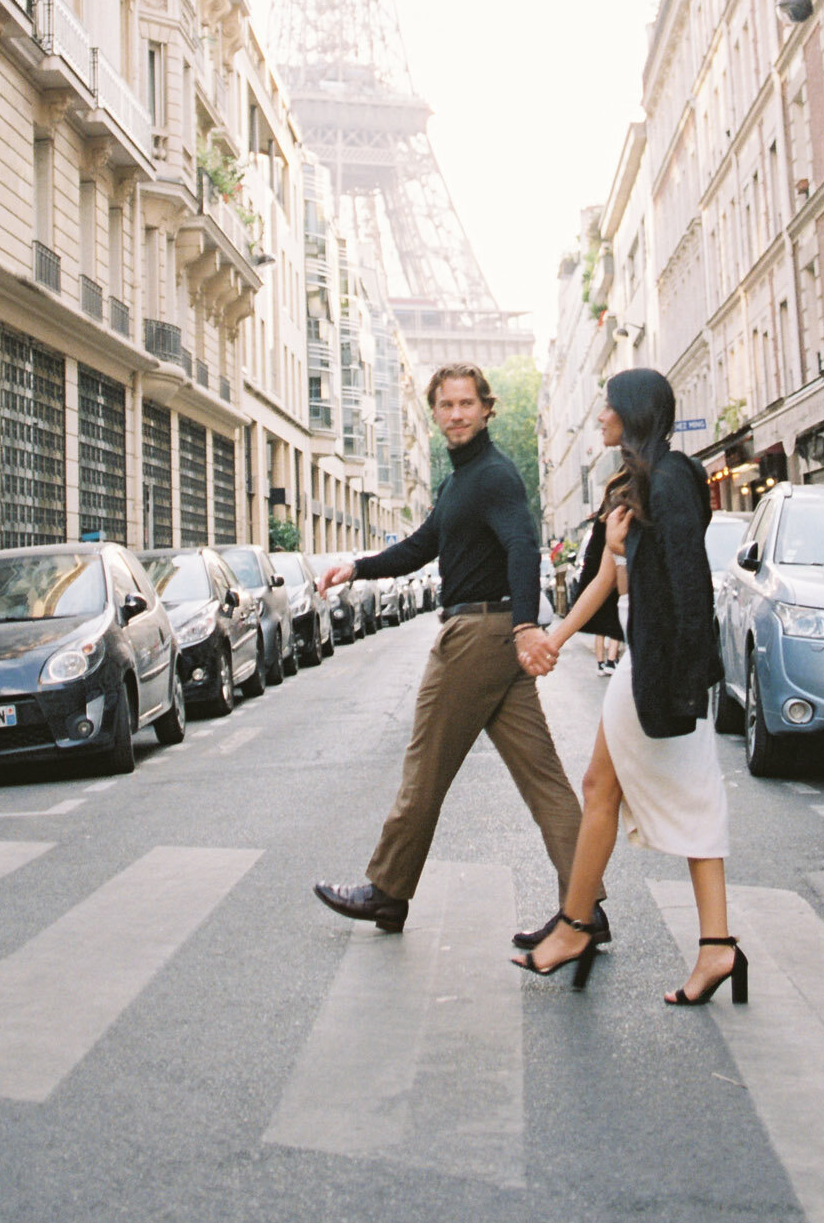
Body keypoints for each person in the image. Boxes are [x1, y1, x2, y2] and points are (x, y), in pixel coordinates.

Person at [311, 362, 583, 933]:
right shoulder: (460, 482)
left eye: (466, 404)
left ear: (488, 408)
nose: (456, 414)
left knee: (424, 768)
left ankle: (386, 889)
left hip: (476, 637)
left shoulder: (493, 476)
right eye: (446, 406)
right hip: (494, 640)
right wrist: (356, 567)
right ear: (434, 414)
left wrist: (526, 627)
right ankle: (585, 909)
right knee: (545, 779)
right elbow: (420, 546)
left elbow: (520, 545)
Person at [513, 368, 742, 1005]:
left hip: (663, 664)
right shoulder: (638, 481)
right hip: (650, 657)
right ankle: (591, 927)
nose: (599, 418)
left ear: (633, 414)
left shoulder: (670, 481)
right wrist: (557, 637)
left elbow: (688, 584)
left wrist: (693, 678)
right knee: (608, 788)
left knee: (679, 796)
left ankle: (585, 928)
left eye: (608, 408)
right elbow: (613, 585)